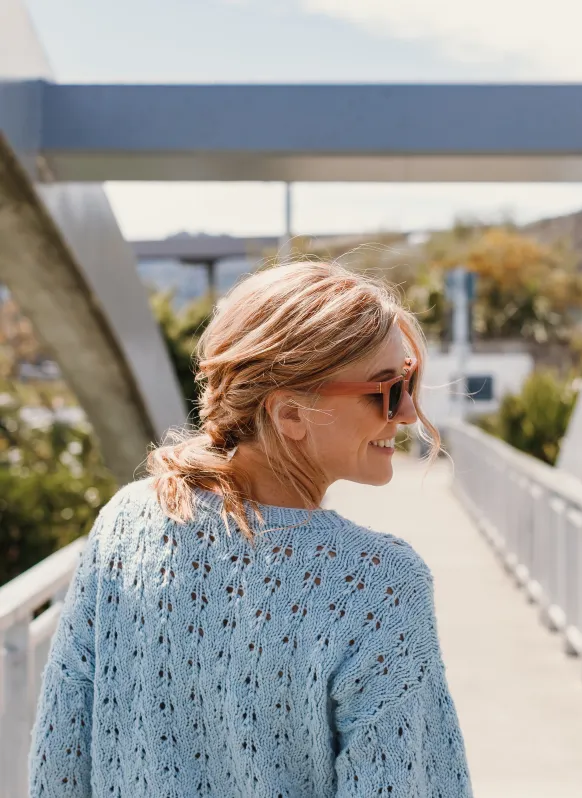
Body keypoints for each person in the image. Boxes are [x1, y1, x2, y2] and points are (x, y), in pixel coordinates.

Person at [29, 262, 473, 797]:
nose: (406, 413)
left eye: (411, 382)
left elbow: (60, 760)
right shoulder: (378, 585)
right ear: (290, 414)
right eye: (386, 389)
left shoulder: (126, 524)